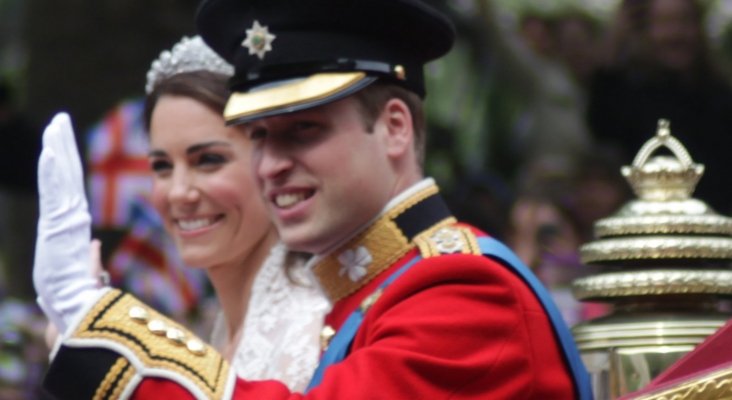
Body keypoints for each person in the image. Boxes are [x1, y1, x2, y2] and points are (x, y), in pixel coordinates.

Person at [34, 0, 592, 399]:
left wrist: (108, 335)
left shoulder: (465, 293)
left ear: (395, 128)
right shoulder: (370, 290)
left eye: (303, 130)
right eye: (258, 136)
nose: (272, 164)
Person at [42, 35, 329, 391]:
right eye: (162, 166)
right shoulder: (220, 328)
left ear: (270, 161)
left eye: (208, 160)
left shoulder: (313, 327)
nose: (179, 192)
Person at [587, 0, 732, 213]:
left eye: (684, 22)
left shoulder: (720, 95)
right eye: (664, 22)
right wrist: (614, 41)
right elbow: (600, 129)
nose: (675, 34)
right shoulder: (628, 93)